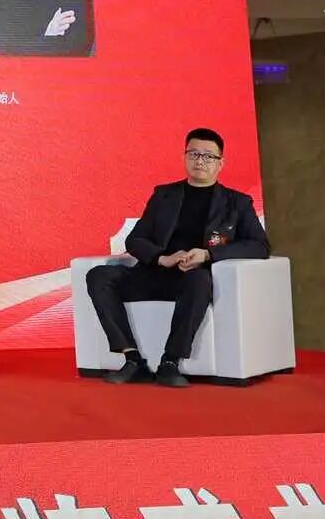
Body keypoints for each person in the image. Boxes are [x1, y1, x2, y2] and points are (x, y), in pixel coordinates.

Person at [87, 128, 271, 388]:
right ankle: (132, 360)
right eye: (193, 154)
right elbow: (135, 240)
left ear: (221, 163)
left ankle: (170, 362)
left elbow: (260, 246)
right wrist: (162, 258)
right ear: (184, 157)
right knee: (99, 275)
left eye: (208, 156)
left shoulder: (237, 203)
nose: (200, 161)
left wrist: (207, 254)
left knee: (199, 280)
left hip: (192, 280)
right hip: (154, 274)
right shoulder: (164, 195)